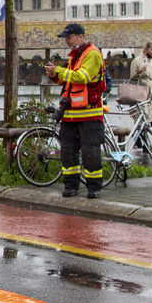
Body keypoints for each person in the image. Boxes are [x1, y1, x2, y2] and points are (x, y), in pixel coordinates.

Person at [44, 23, 107, 199]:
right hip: (70, 115)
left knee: (90, 154)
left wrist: (59, 71)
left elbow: (83, 77)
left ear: (80, 36)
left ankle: (94, 187)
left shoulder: (92, 54)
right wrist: (54, 75)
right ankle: (71, 186)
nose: (67, 42)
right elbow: (69, 82)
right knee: (67, 153)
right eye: (65, 38)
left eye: (69, 37)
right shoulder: (75, 57)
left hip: (89, 115)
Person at [128, 41, 152, 122]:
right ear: (146, 49)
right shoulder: (137, 61)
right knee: (142, 120)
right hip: (141, 94)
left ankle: (144, 134)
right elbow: (132, 78)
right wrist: (140, 71)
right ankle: (140, 134)